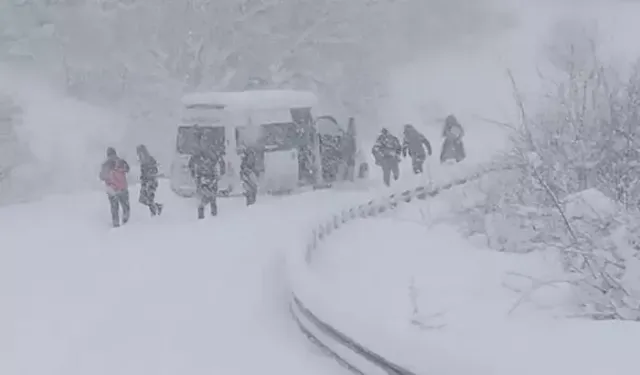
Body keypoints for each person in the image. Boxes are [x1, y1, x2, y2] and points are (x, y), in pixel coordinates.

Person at [188, 145, 225, 219]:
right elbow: (221, 164)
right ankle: (212, 214)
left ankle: (203, 214)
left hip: (205, 177)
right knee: (211, 197)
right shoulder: (213, 153)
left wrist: (194, 174)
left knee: (204, 197)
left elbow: (191, 165)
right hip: (208, 177)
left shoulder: (198, 155)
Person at [99, 147, 131, 228]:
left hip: (112, 189)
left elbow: (102, 177)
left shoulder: (105, 164)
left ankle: (116, 223)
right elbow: (128, 169)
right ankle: (126, 220)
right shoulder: (121, 162)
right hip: (123, 188)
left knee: (114, 207)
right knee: (125, 205)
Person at [136, 144, 163, 216]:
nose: (138, 154)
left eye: (139, 152)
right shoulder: (143, 161)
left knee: (149, 198)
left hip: (151, 182)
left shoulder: (149, 160)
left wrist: (149, 178)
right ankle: (157, 207)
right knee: (143, 199)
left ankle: (154, 212)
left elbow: (153, 171)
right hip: (146, 182)